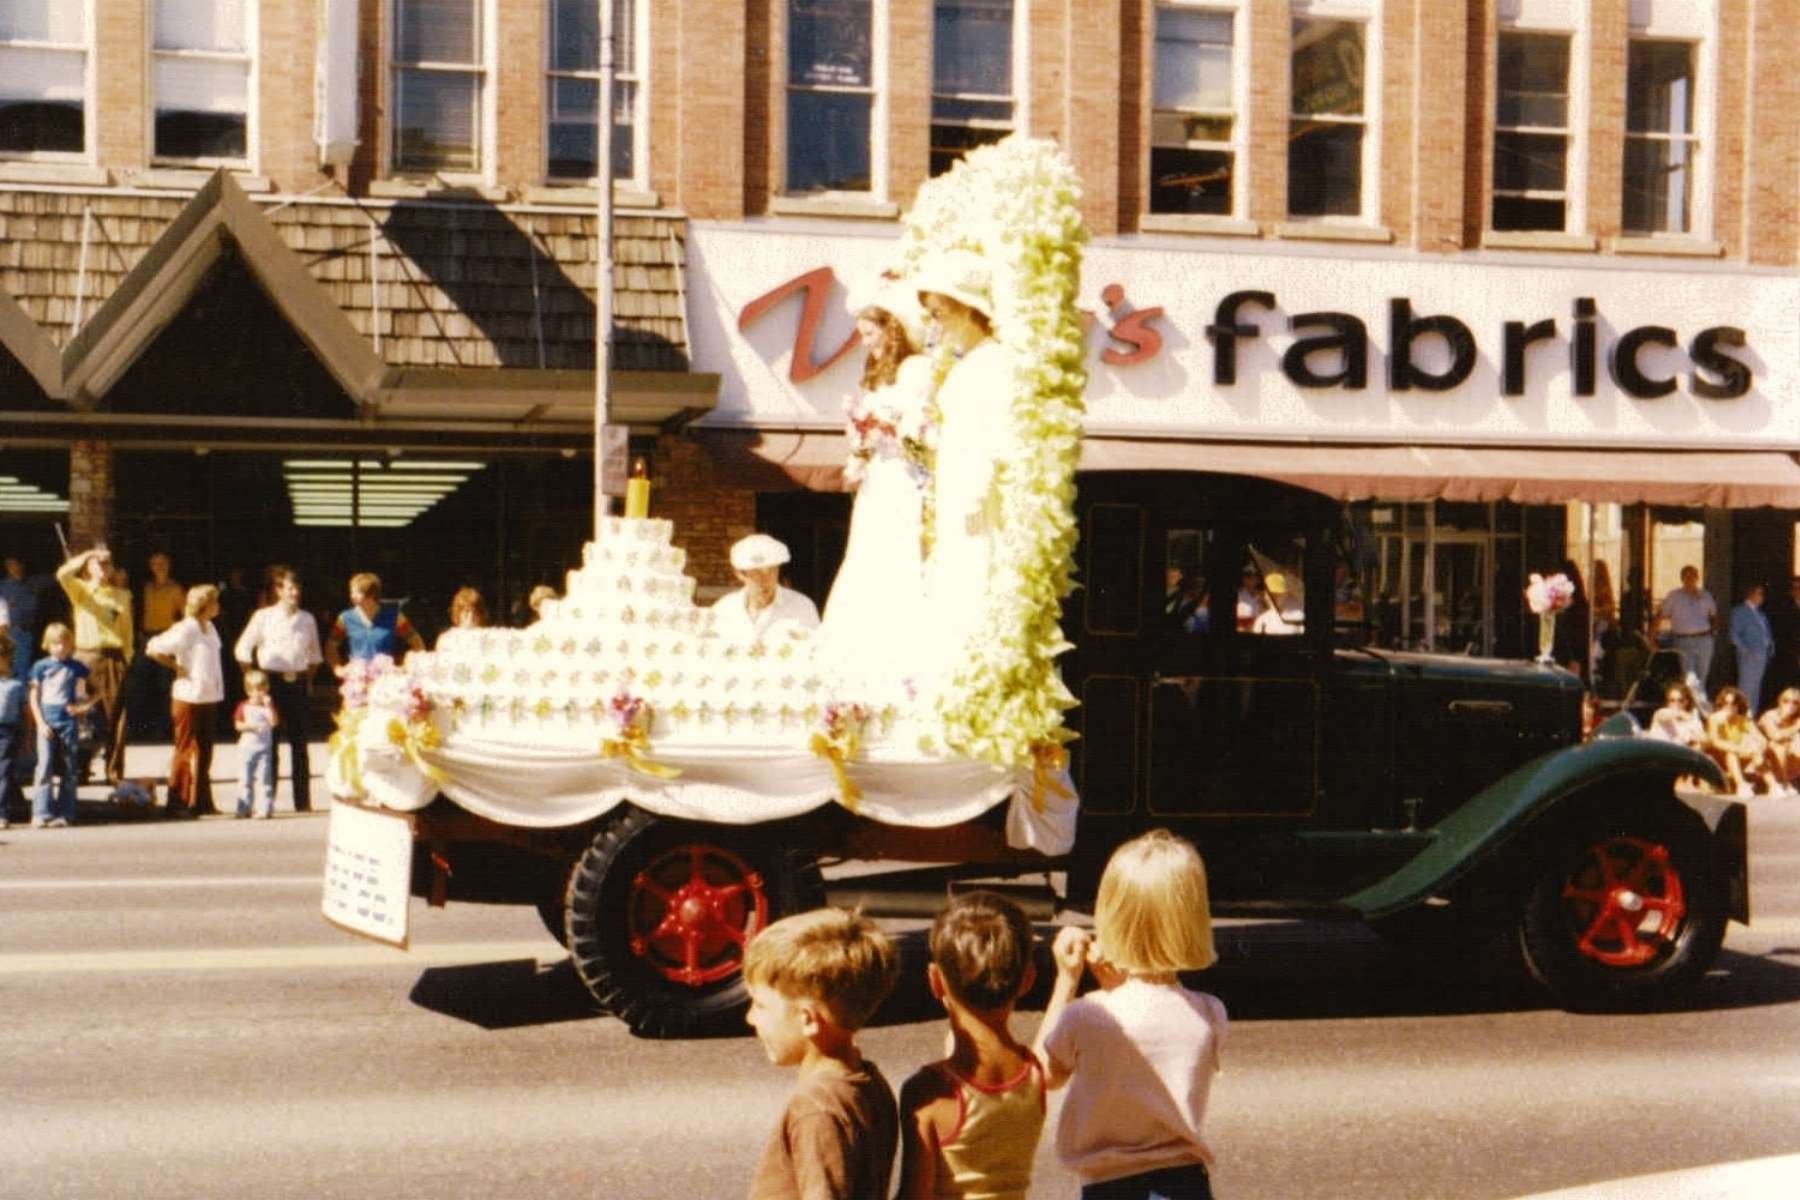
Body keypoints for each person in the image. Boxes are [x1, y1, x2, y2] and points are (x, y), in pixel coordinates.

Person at [1036, 830, 1226, 1200]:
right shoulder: (1210, 1013)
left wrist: (1067, 978)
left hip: (1110, 1187)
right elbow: (1145, 1040)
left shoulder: (1087, 1015)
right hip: (1186, 1184)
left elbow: (1044, 1074)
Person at [813, 291, 934, 696]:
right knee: (865, 548)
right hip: (878, 472)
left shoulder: (916, 367)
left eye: (869, 332)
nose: (865, 342)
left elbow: (917, 420)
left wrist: (882, 425)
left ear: (890, 328)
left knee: (897, 549)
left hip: (901, 470)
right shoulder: (877, 373)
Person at [895, 891, 1047, 1200]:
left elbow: (916, 1195)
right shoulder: (1034, 1073)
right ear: (1027, 980)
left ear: (935, 981)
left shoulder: (928, 1092)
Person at [742, 907, 901, 1200]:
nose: (750, 1018)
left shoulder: (815, 1109)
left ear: (807, 1019)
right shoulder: (870, 1083)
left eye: (760, 1005)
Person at [234, 567, 323, 813]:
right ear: (279, 590)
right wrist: (251, 679)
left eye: (297, 588)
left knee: (299, 744)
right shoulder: (264, 617)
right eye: (289, 588)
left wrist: (308, 680)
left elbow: (315, 656)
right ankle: (266, 801)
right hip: (271, 683)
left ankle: (303, 802)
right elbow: (242, 647)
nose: (294, 593)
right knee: (268, 744)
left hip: (298, 682)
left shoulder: (307, 619)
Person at [55, 544, 132, 786]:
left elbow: (126, 631)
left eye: (107, 563)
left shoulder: (122, 595)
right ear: (89, 567)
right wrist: (88, 554)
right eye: (99, 564)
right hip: (86, 655)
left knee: (115, 716)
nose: (103, 568)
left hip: (112, 656)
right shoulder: (81, 590)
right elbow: (62, 575)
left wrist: (126, 657)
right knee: (82, 713)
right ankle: (79, 768)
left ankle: (113, 771)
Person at [147, 584, 224, 817]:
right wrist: (175, 666)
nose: (218, 605)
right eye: (214, 601)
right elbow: (153, 647)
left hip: (209, 694)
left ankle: (201, 800)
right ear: (204, 605)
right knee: (185, 749)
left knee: (205, 750)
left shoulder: (210, 628)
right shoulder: (186, 628)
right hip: (188, 695)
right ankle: (178, 801)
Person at [27, 623, 94, 829]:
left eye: (65, 643)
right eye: (56, 643)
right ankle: (41, 812)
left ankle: (67, 812)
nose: (61, 647)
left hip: (67, 720)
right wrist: (39, 722)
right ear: (48, 644)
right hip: (47, 718)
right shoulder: (41, 667)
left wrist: (83, 708)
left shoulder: (76, 666)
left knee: (68, 766)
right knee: (45, 765)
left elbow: (96, 690)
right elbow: (34, 695)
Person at [712, 534, 820, 646]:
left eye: (772, 571)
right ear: (739, 574)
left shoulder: (801, 607)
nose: (765, 579)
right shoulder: (724, 609)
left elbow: (815, 652)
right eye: (757, 573)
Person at [325, 572, 423, 670]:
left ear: (371, 594)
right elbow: (331, 646)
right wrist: (338, 669)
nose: (352, 596)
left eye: (356, 592)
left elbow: (417, 643)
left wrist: (405, 668)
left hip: (385, 678)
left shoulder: (394, 617)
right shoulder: (345, 618)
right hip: (357, 678)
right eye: (351, 592)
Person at [135, 550, 184, 740]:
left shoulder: (176, 589)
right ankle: (139, 727)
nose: (159, 567)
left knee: (165, 684)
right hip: (147, 637)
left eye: (162, 563)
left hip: (167, 636)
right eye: (155, 563)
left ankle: (163, 729)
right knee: (142, 683)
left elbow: (186, 615)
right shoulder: (146, 587)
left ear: (169, 565)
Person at [1705, 686, 1777, 798]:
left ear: (1738, 705)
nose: (1728, 707)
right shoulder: (1715, 719)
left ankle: (1773, 785)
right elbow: (1715, 742)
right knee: (1731, 752)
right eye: (1725, 703)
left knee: (1755, 749)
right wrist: (1740, 748)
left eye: (1733, 703)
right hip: (1719, 757)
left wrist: (1759, 751)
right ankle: (1741, 785)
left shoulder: (1744, 720)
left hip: (1740, 755)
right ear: (1720, 705)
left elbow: (1761, 739)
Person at [1658, 566, 1717, 691]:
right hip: (1684, 641)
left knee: (1702, 677)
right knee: (1690, 679)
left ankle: (1699, 707)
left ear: (1697, 578)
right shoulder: (1674, 596)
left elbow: (1713, 615)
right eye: (1686, 576)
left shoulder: (1705, 595)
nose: (1690, 579)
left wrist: (1713, 632)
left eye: (1692, 576)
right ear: (1682, 579)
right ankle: (1694, 706)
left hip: (1704, 640)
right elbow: (1661, 616)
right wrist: (1652, 636)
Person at [232, 669, 279, 819]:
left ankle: (264, 808)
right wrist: (251, 726)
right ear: (248, 691)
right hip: (247, 747)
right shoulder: (244, 706)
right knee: (245, 778)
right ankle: (244, 808)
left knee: (264, 779)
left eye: (262, 689)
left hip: (264, 748)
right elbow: (238, 725)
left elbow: (274, 722)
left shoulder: (267, 708)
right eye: (255, 690)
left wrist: (269, 706)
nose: (259, 693)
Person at [0, 555, 51, 681]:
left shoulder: (33, 583)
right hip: (6, 632)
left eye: (16, 564)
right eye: (10, 565)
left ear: (22, 565)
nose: (14, 568)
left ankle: (19, 696)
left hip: (25, 632)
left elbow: (57, 577)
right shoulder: (2, 586)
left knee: (22, 666)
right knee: (5, 665)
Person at [1730, 583, 1775, 715]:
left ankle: (1751, 717)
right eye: (1760, 594)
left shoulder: (1760, 614)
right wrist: (1745, 650)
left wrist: (1771, 646)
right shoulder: (1740, 611)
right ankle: (1741, 717)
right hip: (1750, 655)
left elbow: (1766, 633)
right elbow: (1734, 633)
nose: (1762, 597)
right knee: (1746, 688)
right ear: (1751, 594)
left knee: (1756, 689)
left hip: (1762, 654)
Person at [1756, 687, 1800, 797]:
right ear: (1779, 701)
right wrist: (1796, 727)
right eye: (1786, 701)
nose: (1790, 705)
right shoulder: (1770, 715)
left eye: (1795, 702)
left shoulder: (1795, 719)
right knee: (1779, 747)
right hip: (1762, 758)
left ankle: (1786, 780)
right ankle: (1784, 782)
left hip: (1787, 761)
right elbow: (1775, 736)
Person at [0, 632, 23, 828]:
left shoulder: (16, 681)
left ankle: (2, 813)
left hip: (7, 730)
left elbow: (24, 708)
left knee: (3, 772)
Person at [1645, 682, 1707, 750]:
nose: (1676, 703)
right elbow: (1666, 715)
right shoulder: (1660, 713)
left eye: (1680, 700)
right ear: (1667, 701)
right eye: (1672, 700)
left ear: (1686, 702)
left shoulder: (1693, 720)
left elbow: (1703, 740)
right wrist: (1686, 716)